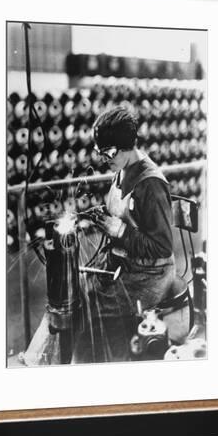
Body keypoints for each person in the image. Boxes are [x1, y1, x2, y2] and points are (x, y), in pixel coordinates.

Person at [72, 106, 190, 363]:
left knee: (93, 310)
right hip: (126, 264)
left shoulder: (151, 184)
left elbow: (162, 247)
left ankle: (116, 365)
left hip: (149, 276)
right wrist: (100, 214)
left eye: (109, 153)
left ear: (127, 146)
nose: (105, 159)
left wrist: (118, 230)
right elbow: (126, 212)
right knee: (78, 291)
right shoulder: (121, 169)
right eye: (100, 153)